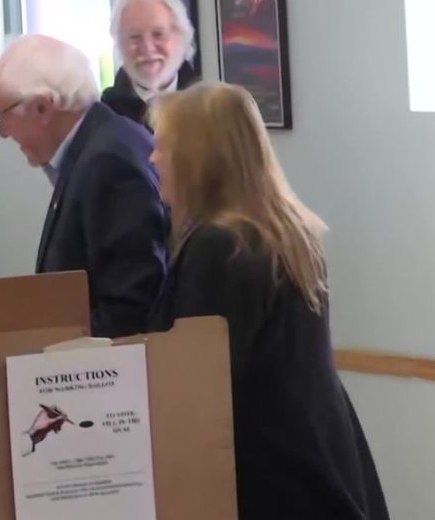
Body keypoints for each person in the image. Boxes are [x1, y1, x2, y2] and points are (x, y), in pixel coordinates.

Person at [148, 82, 389, 519]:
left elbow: (200, 386)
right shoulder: (286, 231)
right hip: (320, 461)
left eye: (162, 147)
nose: (153, 159)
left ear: (196, 158)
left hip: (271, 482)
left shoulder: (220, 249)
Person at [0, 35, 168, 338]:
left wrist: (44, 352)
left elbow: (128, 311)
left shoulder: (109, 163)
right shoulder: (94, 147)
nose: (3, 133)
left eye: (1, 117)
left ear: (43, 107)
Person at [101, 0, 200, 130]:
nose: (147, 48)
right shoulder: (104, 119)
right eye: (135, 37)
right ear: (119, 44)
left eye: (158, 34)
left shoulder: (212, 109)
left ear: (181, 37)